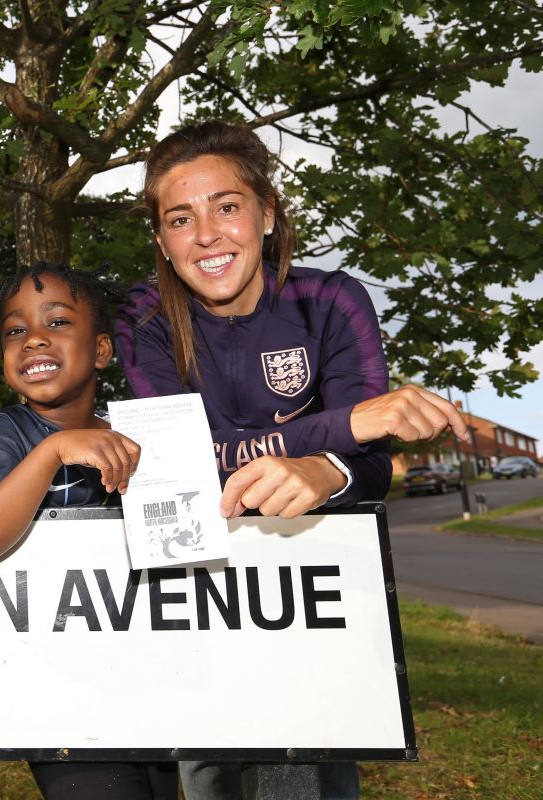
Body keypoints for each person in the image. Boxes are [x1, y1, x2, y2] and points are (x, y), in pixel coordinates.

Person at [115, 119, 469, 799]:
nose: (208, 234)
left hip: (315, 594)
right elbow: (182, 465)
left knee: (305, 776)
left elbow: (366, 470)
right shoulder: (144, 319)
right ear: (161, 239)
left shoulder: (331, 300)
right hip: (198, 591)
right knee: (211, 772)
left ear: (267, 212)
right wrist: (348, 427)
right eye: (181, 218)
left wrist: (330, 468)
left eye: (227, 207)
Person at [0, 262, 177, 800]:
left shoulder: (137, 435)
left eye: (57, 323)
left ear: (102, 351)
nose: (33, 338)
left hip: (149, 677)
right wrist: (54, 450)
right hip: (57, 690)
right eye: (15, 331)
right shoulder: (6, 433)